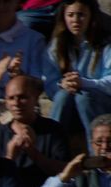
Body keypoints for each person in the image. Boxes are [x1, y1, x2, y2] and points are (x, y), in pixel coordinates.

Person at [48, 0, 111, 136]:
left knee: (84, 98)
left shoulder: (105, 44)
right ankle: (53, 147)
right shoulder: (57, 45)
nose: (75, 20)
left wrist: (83, 83)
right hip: (70, 105)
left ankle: (95, 152)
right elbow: (48, 82)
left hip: (100, 104)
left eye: (81, 15)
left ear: (91, 16)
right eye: (70, 15)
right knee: (63, 95)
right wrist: (62, 84)